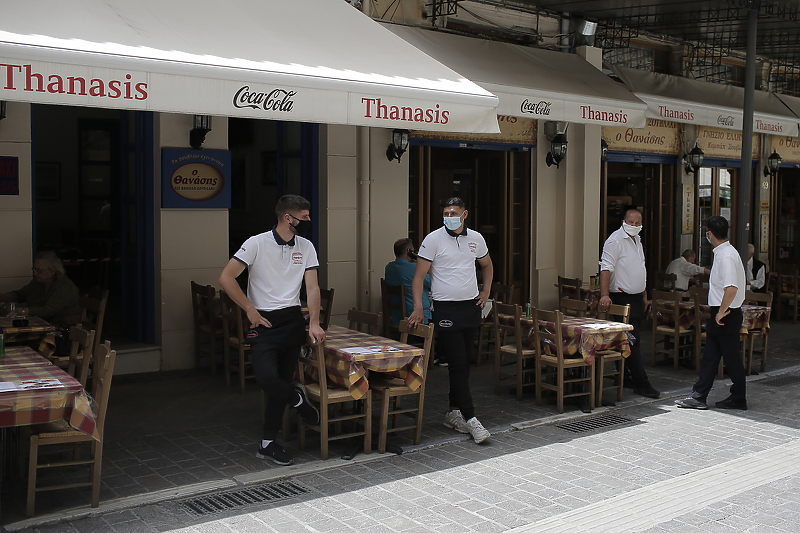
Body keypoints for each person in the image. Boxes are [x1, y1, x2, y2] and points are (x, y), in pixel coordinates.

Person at [218, 195, 324, 466]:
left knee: (280, 380)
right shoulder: (256, 243)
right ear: (288, 218)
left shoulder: (307, 246)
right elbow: (226, 278)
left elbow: (311, 287)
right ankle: (298, 400)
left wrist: (313, 322)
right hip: (262, 321)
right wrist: (249, 309)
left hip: (291, 319)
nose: (309, 220)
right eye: (305, 216)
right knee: (266, 379)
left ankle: (268, 443)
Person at [407, 197, 493, 444]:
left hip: (470, 307)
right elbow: (418, 277)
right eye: (445, 213)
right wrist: (419, 308)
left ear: (464, 214)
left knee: (465, 361)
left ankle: (453, 412)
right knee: (458, 364)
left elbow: (487, 265)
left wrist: (486, 291)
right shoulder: (433, 239)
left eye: (453, 212)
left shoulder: (476, 239)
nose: (449, 216)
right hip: (445, 309)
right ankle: (471, 417)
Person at [675, 216, 748, 410]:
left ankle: (737, 397)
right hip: (726, 311)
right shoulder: (727, 253)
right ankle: (699, 395)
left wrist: (720, 312)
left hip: (726, 313)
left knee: (730, 357)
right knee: (712, 355)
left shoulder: (725, 256)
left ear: (710, 234)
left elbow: (731, 288)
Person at [598, 208, 660, 399]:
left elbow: (639, 267)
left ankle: (624, 376)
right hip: (622, 297)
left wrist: (644, 292)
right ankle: (642, 383)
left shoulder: (637, 240)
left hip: (636, 297)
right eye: (630, 222)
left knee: (626, 339)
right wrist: (604, 294)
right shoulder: (615, 240)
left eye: (637, 223)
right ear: (624, 221)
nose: (633, 226)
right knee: (633, 340)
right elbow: (606, 267)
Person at [0, 251, 80, 326]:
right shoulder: (38, 282)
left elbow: (47, 311)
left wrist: (20, 310)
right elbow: (20, 294)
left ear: (53, 271)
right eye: (34, 269)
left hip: (63, 328)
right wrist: (3, 297)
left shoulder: (65, 287)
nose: (35, 273)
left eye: (40, 271)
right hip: (42, 323)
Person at [384, 238, 431, 325]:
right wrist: (422, 262)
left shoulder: (389, 268)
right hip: (417, 316)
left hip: (396, 316)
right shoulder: (415, 268)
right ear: (408, 251)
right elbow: (433, 283)